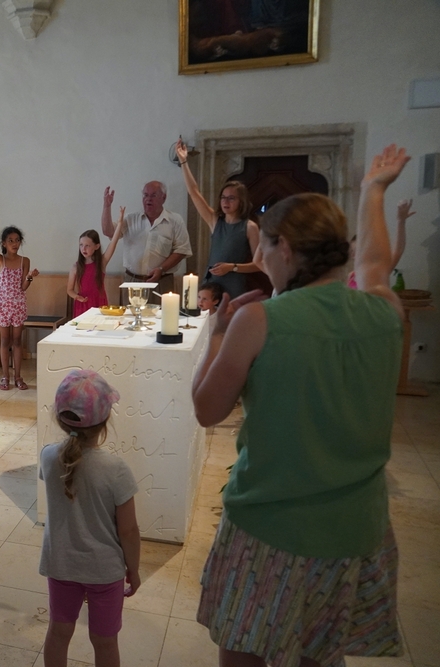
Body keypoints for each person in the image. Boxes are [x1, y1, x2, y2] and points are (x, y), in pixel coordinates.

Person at [191, 145, 409, 667]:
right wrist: (374, 191)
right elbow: (375, 265)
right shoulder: (384, 312)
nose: (262, 258)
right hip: (356, 526)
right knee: (317, 655)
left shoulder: (258, 320)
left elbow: (205, 409)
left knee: (244, 651)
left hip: (271, 525)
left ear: (284, 248)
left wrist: (218, 331)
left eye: (265, 247)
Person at [40, 370, 140, 667]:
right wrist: (133, 569)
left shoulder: (48, 456)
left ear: (59, 417)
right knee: (105, 640)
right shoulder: (116, 470)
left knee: (59, 632)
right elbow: (129, 531)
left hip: (61, 563)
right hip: (104, 570)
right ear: (105, 421)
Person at [175, 138, 261, 298]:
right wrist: (184, 161)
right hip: (211, 283)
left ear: (241, 201)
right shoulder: (215, 221)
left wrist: (232, 267)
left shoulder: (250, 227)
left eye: (231, 198)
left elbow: (259, 264)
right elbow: (194, 192)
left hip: (234, 284)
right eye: (223, 197)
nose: (226, 202)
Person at [100, 183, 192, 304]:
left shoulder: (175, 220)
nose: (148, 199)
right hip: (132, 282)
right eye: (145, 195)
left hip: (161, 281)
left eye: (153, 195)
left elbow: (182, 250)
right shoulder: (130, 219)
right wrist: (107, 206)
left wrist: (161, 269)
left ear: (163, 198)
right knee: (131, 315)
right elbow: (108, 231)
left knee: (161, 315)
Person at [0, 205, 39, 391]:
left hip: (18, 305)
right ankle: (5, 376)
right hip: (3, 307)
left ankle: (18, 377)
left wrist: (30, 277)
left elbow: (23, 287)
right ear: (4, 243)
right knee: (5, 342)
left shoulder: (24, 261)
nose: (15, 243)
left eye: (17, 240)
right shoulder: (0, 259)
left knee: (17, 341)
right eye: (10, 240)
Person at [347, 199, 415, 289]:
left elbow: (398, 250)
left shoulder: (378, 273)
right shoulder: (351, 276)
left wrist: (401, 221)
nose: (354, 255)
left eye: (360, 252)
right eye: (353, 252)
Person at [67, 222, 124, 317]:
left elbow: (113, 242)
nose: (83, 249)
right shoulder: (75, 267)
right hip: (82, 303)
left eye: (87, 245)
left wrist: (120, 223)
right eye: (81, 245)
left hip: (99, 303)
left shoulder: (101, 263)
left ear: (96, 246)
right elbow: (69, 290)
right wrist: (77, 297)